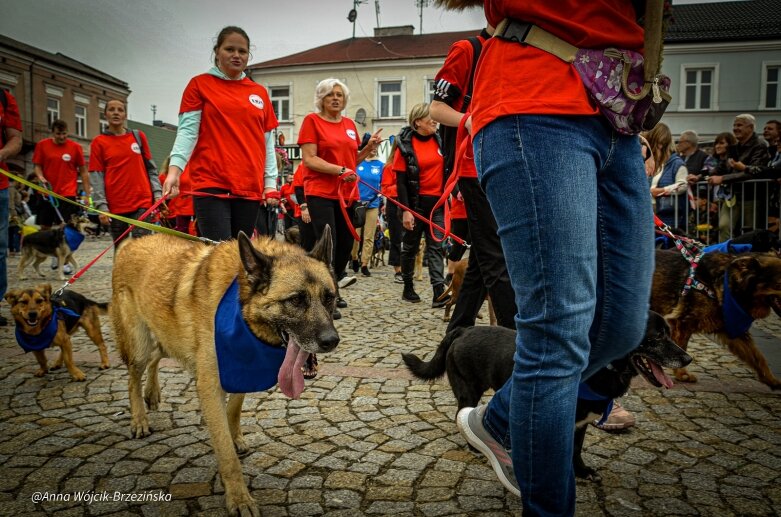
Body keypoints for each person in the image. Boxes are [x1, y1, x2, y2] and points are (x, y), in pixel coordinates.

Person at [442, 1, 656, 514]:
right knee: (556, 334)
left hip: (614, 111)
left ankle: (498, 421)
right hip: (533, 99)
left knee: (623, 327)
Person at [429, 25, 517, 331]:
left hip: (508, 165)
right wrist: (468, 120)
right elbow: (437, 108)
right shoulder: (468, 49)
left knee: (482, 261)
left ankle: (454, 339)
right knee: (497, 257)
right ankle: (516, 342)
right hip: (472, 167)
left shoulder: (519, 48)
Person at [163, 26, 279, 241]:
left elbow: (267, 142)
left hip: (248, 186)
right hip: (211, 182)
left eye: (242, 51)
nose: (236, 55)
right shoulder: (199, 84)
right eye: (229, 49)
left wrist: (270, 183)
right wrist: (174, 172)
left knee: (239, 255)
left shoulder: (259, 92)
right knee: (218, 256)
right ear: (217, 52)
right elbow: (188, 132)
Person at [298, 77, 381, 295]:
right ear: (321, 98)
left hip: (347, 195)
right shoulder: (312, 121)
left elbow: (350, 162)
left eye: (339, 95)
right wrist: (339, 171)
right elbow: (309, 159)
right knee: (329, 243)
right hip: (320, 193)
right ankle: (326, 292)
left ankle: (332, 286)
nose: (335, 98)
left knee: (346, 245)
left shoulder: (349, 124)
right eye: (330, 94)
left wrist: (366, 149)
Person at [394, 103, 448, 307]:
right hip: (414, 205)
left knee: (436, 247)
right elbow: (400, 182)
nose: (434, 120)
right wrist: (407, 211)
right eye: (430, 117)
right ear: (418, 122)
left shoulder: (440, 140)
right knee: (410, 248)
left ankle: (438, 292)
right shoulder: (405, 145)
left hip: (437, 205)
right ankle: (408, 287)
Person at [89, 99, 162, 247]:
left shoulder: (138, 137)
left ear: (125, 115)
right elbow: (96, 176)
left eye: (120, 110)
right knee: (121, 251)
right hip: (115, 207)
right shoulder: (99, 142)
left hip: (142, 202)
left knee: (141, 249)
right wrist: (102, 207)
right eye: (112, 109)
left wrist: (157, 194)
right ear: (105, 115)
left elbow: (151, 169)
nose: (116, 112)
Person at [707, 114, 771, 238]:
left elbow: (753, 172)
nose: (735, 128)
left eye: (739, 125)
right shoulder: (734, 147)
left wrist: (723, 179)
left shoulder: (759, 145)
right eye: (734, 125)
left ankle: (750, 257)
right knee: (724, 225)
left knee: (750, 231)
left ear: (750, 128)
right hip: (732, 196)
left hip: (752, 195)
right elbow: (722, 168)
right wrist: (699, 177)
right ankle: (723, 256)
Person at [33, 119, 91, 230]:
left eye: (64, 133)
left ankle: (63, 247)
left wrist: (88, 196)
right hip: (47, 193)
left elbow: (83, 171)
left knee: (66, 226)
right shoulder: (42, 145)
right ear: (52, 133)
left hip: (67, 194)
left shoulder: (75, 147)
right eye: (58, 134)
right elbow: (37, 166)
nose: (61, 137)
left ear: (67, 132)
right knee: (45, 226)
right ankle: (47, 247)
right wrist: (40, 177)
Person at [0, 88, 23, 326]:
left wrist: (3, 153)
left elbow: (15, 138)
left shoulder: (4, 97)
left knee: (0, 249)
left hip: (0, 186)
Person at [350, 146, 384, 277]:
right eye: (371, 147)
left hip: (373, 203)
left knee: (369, 235)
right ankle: (354, 258)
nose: (374, 149)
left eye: (376, 148)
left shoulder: (381, 166)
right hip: (357, 203)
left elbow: (383, 184)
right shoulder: (358, 163)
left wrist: (379, 197)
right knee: (355, 235)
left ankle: (364, 263)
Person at [648, 123, 688, 229]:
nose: (659, 148)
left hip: (670, 216)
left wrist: (661, 190)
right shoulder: (651, 160)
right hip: (653, 212)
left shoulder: (677, 163)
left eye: (662, 144)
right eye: (657, 144)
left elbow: (683, 185)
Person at [380, 142, 403, 283]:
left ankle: (408, 267)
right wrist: (402, 187)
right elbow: (385, 189)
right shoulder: (389, 166)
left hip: (409, 203)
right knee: (396, 238)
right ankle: (398, 269)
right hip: (394, 204)